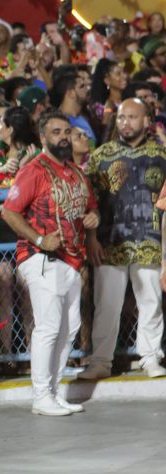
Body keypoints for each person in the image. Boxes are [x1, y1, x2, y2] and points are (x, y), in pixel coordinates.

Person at [2, 111, 99, 416]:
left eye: (67, 131)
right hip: (41, 257)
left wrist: (93, 225)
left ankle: (53, 392)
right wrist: (40, 240)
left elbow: (90, 210)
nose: (64, 137)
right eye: (56, 132)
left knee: (69, 329)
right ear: (43, 138)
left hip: (71, 259)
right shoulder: (33, 170)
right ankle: (41, 395)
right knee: (48, 327)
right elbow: (9, 211)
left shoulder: (77, 173)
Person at [80, 99, 166, 380]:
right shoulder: (101, 156)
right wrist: (91, 238)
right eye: (121, 117)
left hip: (151, 242)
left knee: (150, 304)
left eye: (132, 117)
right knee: (106, 305)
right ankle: (101, 362)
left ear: (146, 121)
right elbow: (89, 202)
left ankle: (150, 357)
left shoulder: (162, 155)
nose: (125, 122)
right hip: (109, 243)